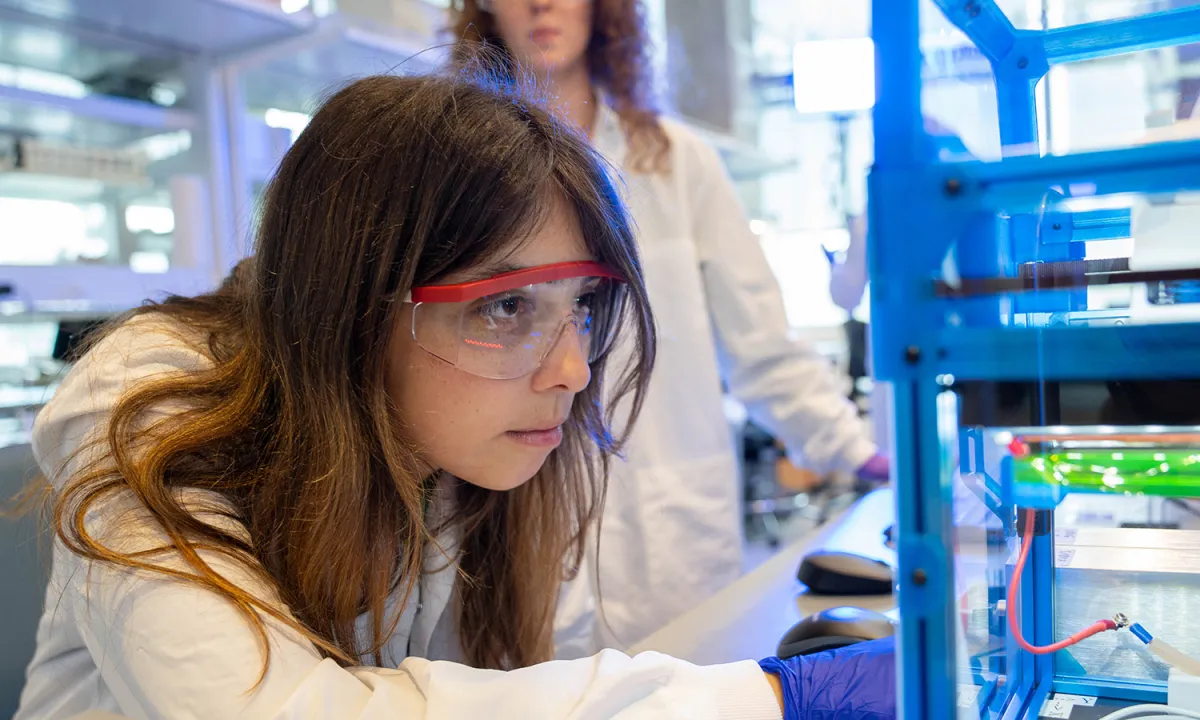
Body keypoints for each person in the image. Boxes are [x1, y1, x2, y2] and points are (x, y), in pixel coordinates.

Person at [13, 73, 895, 719]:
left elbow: (533, 684)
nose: (572, 371)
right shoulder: (149, 407)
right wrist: (766, 697)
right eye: (506, 305)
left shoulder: (462, 438)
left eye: (580, 308)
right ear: (353, 302)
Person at [449, 0, 889, 647]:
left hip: (670, 536)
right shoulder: (456, 170)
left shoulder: (677, 161)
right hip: (517, 529)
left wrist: (860, 454)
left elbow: (761, 346)